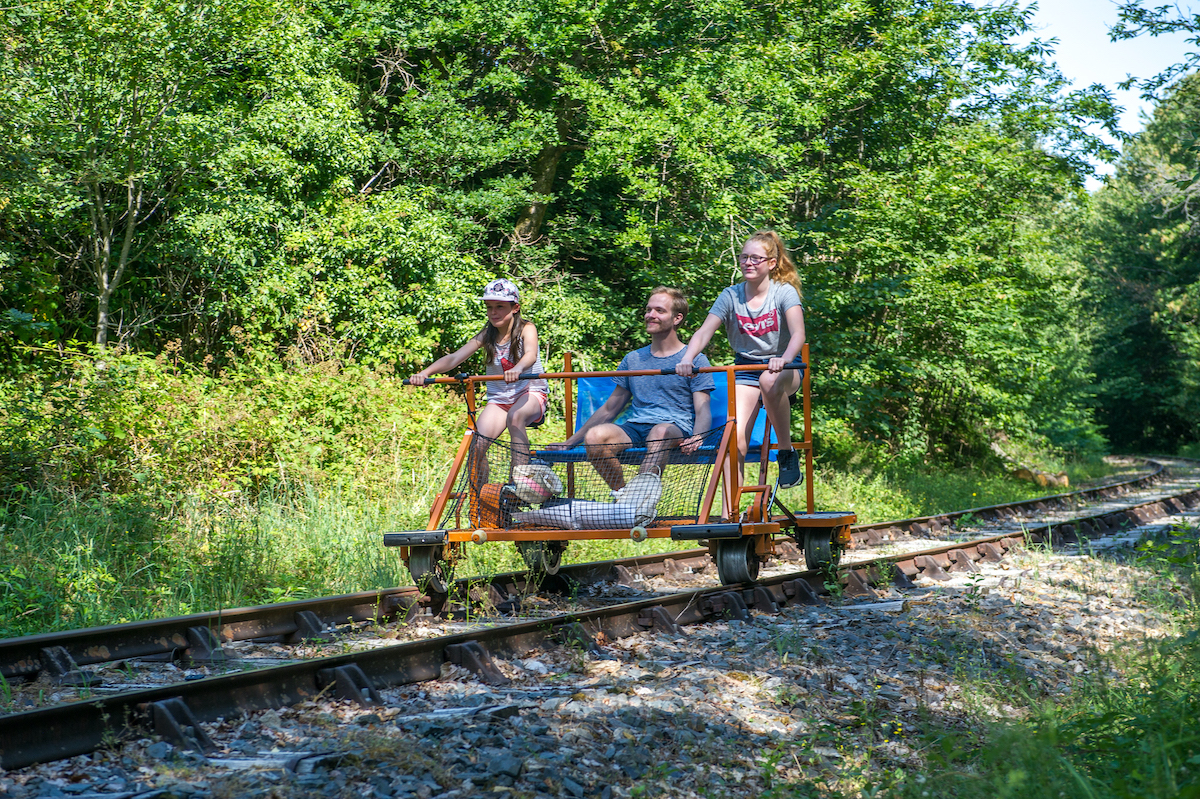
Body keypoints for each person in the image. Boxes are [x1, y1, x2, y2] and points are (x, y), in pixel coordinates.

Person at [547, 287, 714, 505]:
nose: (650, 315)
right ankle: (624, 496)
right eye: (648, 310)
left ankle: (640, 500)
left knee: (660, 431)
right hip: (636, 426)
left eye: (659, 311)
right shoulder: (633, 359)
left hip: (673, 427)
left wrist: (698, 436)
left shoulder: (694, 359)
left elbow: (703, 408)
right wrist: (569, 443)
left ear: (677, 318)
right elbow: (610, 409)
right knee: (595, 437)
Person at [675, 230, 805, 488]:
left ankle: (786, 452)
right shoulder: (731, 295)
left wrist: (785, 359)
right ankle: (729, 515)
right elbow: (704, 332)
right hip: (746, 368)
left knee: (769, 380)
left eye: (756, 258)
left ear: (771, 263)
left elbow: (798, 334)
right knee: (734, 441)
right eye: (744, 257)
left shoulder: (783, 292)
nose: (748, 262)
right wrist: (687, 357)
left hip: (785, 366)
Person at [410, 278, 547, 483]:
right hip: (500, 400)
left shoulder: (527, 328)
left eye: (500, 307)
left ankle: (518, 487)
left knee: (515, 417)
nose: (494, 312)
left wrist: (518, 369)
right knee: (477, 446)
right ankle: (480, 500)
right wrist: (426, 372)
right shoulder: (487, 335)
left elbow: (530, 355)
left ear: (515, 307)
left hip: (530, 393)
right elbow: (455, 358)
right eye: (489, 307)